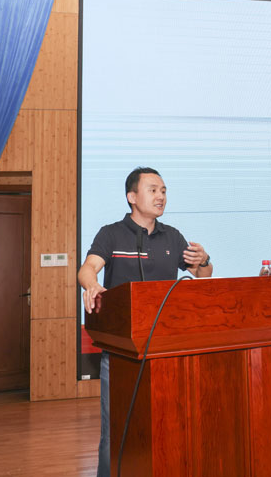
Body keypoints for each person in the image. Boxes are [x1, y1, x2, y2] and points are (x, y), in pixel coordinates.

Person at [78, 167, 213, 477]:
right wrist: (92, 285)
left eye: (163, 190)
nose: (160, 196)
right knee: (116, 426)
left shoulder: (173, 236)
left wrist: (204, 260)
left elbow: (203, 275)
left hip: (165, 347)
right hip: (122, 350)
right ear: (132, 196)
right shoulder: (111, 234)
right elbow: (87, 268)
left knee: (165, 422)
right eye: (153, 190)